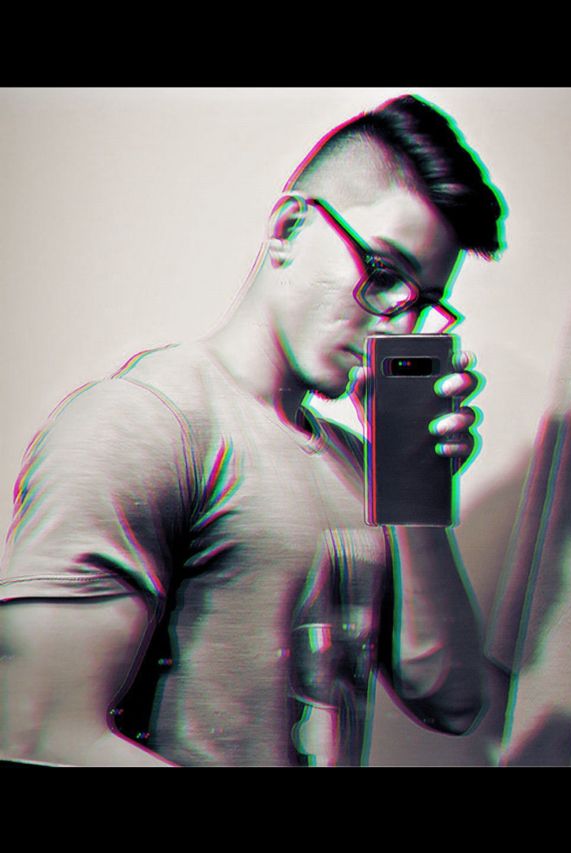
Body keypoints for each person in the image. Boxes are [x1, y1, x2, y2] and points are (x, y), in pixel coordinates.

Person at [0, 94, 504, 767]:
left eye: (422, 304)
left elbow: (451, 698)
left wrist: (413, 480)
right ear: (290, 228)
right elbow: (38, 731)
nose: (398, 323)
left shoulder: (363, 464)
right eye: (383, 275)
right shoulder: (141, 422)